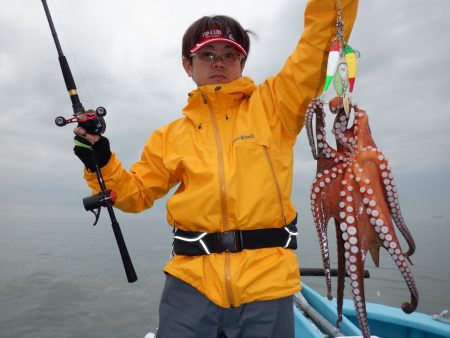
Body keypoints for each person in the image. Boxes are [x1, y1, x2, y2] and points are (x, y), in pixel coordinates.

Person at [73, 0, 358, 337]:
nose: (218, 62)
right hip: (190, 285)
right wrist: (100, 162)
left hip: (267, 283)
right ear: (187, 64)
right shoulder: (169, 137)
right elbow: (133, 195)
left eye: (229, 53)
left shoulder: (276, 105)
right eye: (207, 54)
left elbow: (317, 44)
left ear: (242, 61)